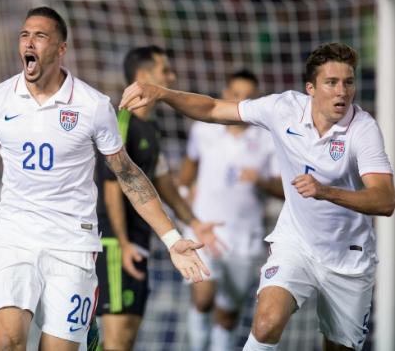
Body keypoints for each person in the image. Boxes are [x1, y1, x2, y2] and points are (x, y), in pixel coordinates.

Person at [0, 7, 209, 351]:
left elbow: (128, 175)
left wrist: (172, 238)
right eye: (24, 35)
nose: (29, 42)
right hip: (15, 236)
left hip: (73, 244)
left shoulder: (92, 105)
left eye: (40, 36)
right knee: (9, 339)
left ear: (61, 49)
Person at [119, 42, 395, 351]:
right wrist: (164, 94)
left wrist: (324, 191)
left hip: (348, 256)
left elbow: (384, 201)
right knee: (265, 323)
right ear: (311, 88)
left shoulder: (364, 129)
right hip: (297, 244)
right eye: (331, 82)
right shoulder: (283, 109)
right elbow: (212, 108)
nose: (342, 91)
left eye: (348, 82)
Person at [95, 45, 221, 351]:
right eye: (165, 70)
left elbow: (164, 183)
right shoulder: (121, 121)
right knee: (116, 336)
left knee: (127, 336)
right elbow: (112, 185)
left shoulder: (151, 127)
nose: (172, 76)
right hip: (114, 242)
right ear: (142, 76)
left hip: (140, 240)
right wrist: (122, 243)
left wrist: (194, 222)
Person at [177, 69, 282, 351]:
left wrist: (260, 180)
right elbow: (185, 176)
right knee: (203, 297)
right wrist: (186, 200)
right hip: (204, 229)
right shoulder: (203, 130)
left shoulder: (268, 139)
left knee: (227, 315)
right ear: (226, 94)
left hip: (245, 236)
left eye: (248, 97)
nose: (241, 101)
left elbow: (285, 191)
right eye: (236, 94)